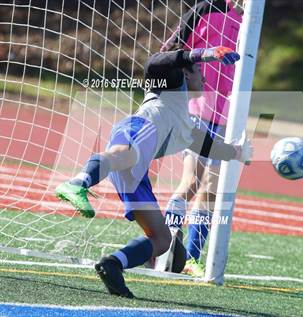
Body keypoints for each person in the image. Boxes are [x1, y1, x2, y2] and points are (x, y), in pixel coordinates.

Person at [55, 47, 252, 298]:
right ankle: (77, 183)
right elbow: (155, 62)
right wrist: (205, 54)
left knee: (162, 239)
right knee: (122, 154)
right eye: (200, 72)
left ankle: (112, 265)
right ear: (184, 72)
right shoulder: (170, 84)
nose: (204, 78)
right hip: (137, 130)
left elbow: (208, 145)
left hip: (136, 173)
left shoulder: (184, 123)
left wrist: (237, 153)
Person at [161, 0, 244, 277]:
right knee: (192, 181)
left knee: (210, 188)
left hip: (228, 116)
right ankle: (162, 247)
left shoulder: (248, 23)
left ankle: (190, 259)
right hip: (197, 108)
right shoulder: (206, 10)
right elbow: (171, 51)